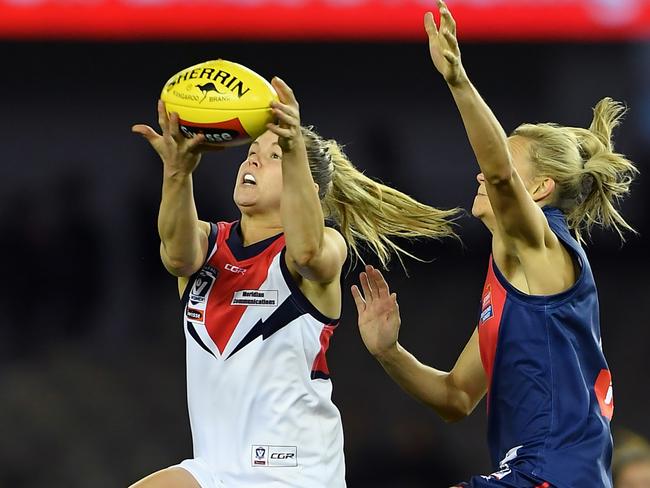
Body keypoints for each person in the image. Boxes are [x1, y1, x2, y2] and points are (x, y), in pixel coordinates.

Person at [351, 2, 638, 487]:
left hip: (551, 476)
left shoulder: (543, 246)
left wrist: (457, 79)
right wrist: (389, 352)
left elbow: (502, 177)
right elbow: (455, 398)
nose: (482, 170)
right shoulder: (513, 281)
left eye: (501, 158)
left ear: (541, 189)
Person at [129, 76, 459, 488]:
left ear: (304, 183)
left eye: (273, 157)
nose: (252, 162)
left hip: (295, 472)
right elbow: (176, 255)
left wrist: (295, 148)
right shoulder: (207, 243)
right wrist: (177, 172)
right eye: (250, 152)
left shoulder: (323, 247)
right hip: (215, 468)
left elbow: (307, 254)